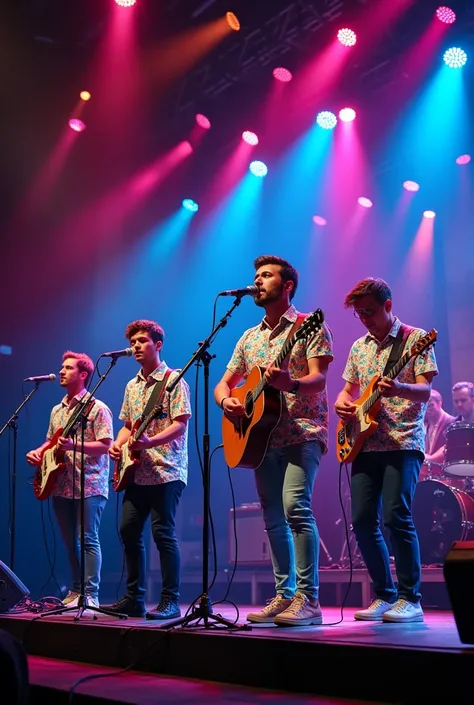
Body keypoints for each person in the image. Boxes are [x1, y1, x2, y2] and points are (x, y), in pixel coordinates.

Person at [214, 255, 333, 627]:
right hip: (262, 438)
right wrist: (227, 401)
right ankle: (284, 595)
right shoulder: (249, 337)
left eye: (266, 276)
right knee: (272, 517)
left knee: (295, 507)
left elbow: (319, 379)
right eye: (256, 276)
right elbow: (224, 382)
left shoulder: (308, 326)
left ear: (287, 286)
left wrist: (291, 383)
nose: (258, 281)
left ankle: (308, 598)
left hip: (302, 431)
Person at [334, 277, 437, 623]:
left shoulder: (417, 339)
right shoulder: (359, 347)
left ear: (388, 305)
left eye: (371, 312)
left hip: (403, 441)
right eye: (360, 314)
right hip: (365, 442)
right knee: (363, 520)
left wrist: (398, 388)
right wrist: (343, 406)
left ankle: (411, 597)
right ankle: (384, 594)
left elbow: (424, 392)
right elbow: (346, 392)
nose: (365, 319)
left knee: (396, 516)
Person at [104, 320, 191, 619]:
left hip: (167, 469)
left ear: (158, 344)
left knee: (163, 533)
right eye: (133, 343)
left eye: (142, 341)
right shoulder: (132, 385)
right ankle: (134, 598)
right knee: (128, 530)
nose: (136, 347)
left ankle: (170, 600)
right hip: (136, 471)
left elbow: (180, 424)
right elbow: (128, 426)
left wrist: (150, 441)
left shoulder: (174, 379)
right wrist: (117, 444)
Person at [26, 351, 113, 609]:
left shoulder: (97, 408)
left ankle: (91, 594)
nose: (61, 371)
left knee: (88, 538)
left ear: (83, 374)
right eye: (61, 367)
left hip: (90, 483)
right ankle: (76, 591)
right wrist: (39, 452)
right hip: (61, 484)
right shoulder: (57, 410)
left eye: (68, 368)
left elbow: (106, 444)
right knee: (69, 541)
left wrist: (75, 446)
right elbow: (51, 441)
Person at [421, 389, 456, 472]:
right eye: (424, 406)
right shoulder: (423, 425)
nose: (427, 409)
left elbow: (447, 450)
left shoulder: (453, 423)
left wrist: (422, 457)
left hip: (445, 474)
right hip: (426, 474)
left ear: (440, 403)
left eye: (430, 405)